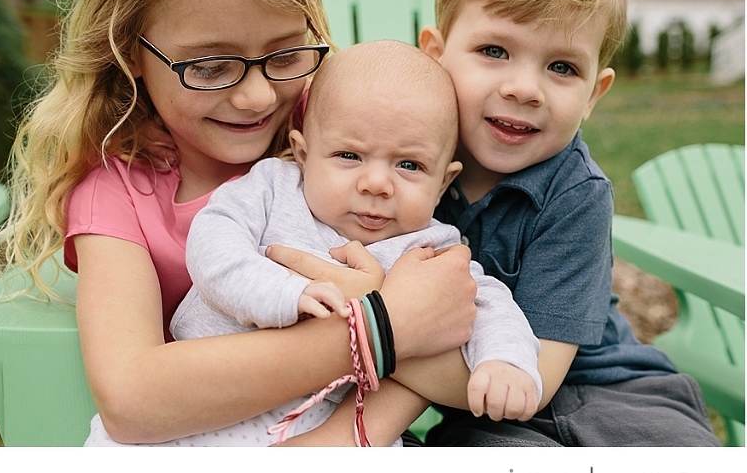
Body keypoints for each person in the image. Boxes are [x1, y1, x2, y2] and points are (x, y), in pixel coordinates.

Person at [0, 0, 479, 447]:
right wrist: (376, 324)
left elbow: (466, 367)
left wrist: (350, 436)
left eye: (285, 54)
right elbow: (130, 399)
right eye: (209, 67)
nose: (257, 96)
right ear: (130, 50)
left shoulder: (349, 132)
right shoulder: (118, 195)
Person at [129, 40, 538, 447]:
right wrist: (281, 293)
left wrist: (505, 361)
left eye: (409, 165)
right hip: (207, 395)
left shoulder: (430, 247)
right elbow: (213, 242)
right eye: (349, 156)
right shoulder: (273, 188)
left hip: (326, 422)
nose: (376, 184)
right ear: (303, 154)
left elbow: (487, 303)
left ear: (443, 183)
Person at [415, 0, 721, 446]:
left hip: (609, 393)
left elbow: (531, 380)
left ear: (593, 95)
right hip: (485, 415)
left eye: (562, 67)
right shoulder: (391, 166)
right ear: (435, 55)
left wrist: (363, 348)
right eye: (494, 51)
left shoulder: (575, 193)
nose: (524, 88)